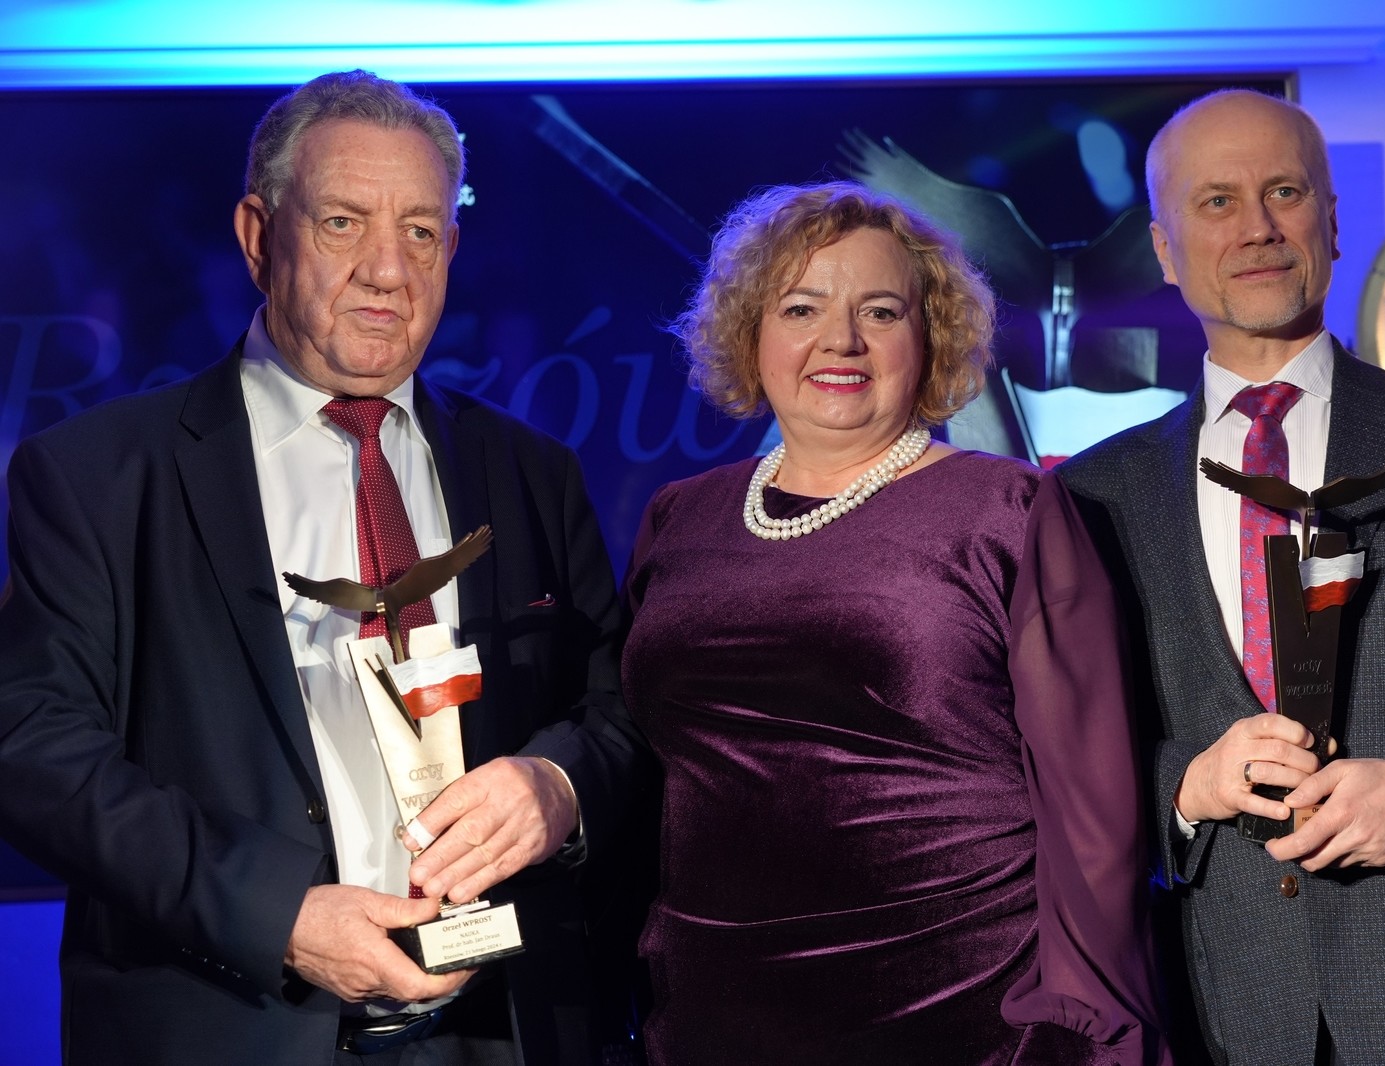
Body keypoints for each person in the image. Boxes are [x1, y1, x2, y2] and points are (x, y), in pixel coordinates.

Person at [0, 70, 642, 1065]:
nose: (388, 270)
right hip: (229, 1027)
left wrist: (557, 785)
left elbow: (622, 711)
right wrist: (278, 915)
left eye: (420, 231)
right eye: (343, 222)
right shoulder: (98, 476)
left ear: (451, 249)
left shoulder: (530, 472)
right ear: (259, 236)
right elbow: (33, 750)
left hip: (501, 1031)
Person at [1061, 88, 1385, 1065]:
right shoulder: (1096, 493)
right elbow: (1067, 772)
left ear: (1332, 219)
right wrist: (1187, 782)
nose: (1257, 227)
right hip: (1219, 1020)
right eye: (1216, 201)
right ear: (1164, 249)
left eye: (1284, 191)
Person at [620, 180, 1168, 1064]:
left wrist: (1086, 1018)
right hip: (711, 1010)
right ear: (751, 331)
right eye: (801, 308)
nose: (841, 340)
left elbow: (1092, 807)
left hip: (963, 1012)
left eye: (880, 311)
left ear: (930, 337)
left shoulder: (1009, 510)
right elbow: (642, 772)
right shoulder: (680, 517)